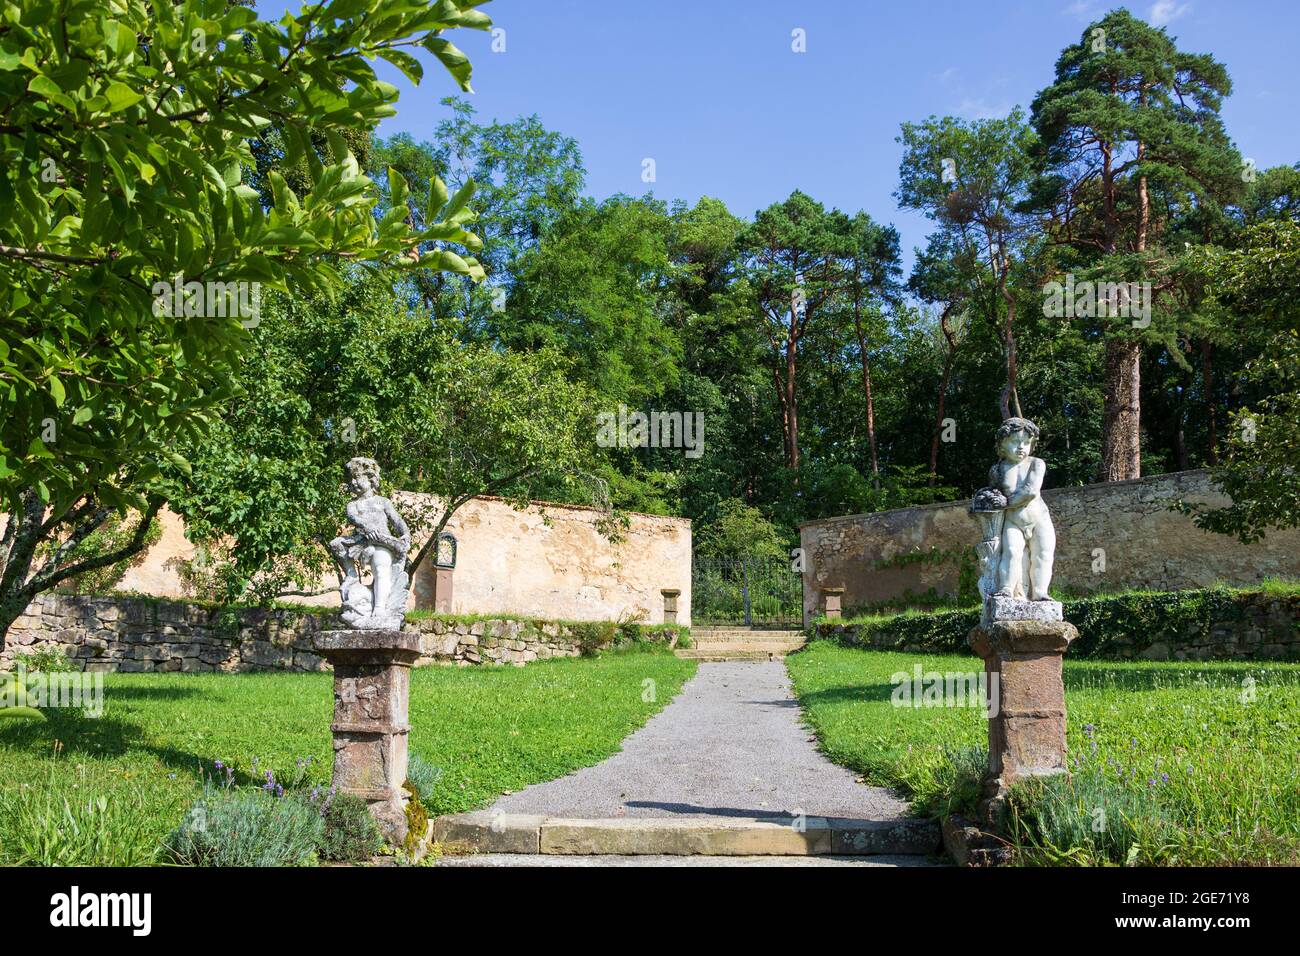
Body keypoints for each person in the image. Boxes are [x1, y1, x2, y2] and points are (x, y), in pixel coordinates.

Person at [987, 417, 1055, 601]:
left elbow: (1031, 491)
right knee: (1011, 552)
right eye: (1015, 442)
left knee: (1043, 554)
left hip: (1039, 518)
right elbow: (993, 494)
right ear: (1002, 444)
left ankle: (1040, 592)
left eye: (1026, 442)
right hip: (1013, 520)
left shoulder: (1036, 463)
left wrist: (1005, 502)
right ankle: (1006, 589)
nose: (1021, 447)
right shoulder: (997, 470)